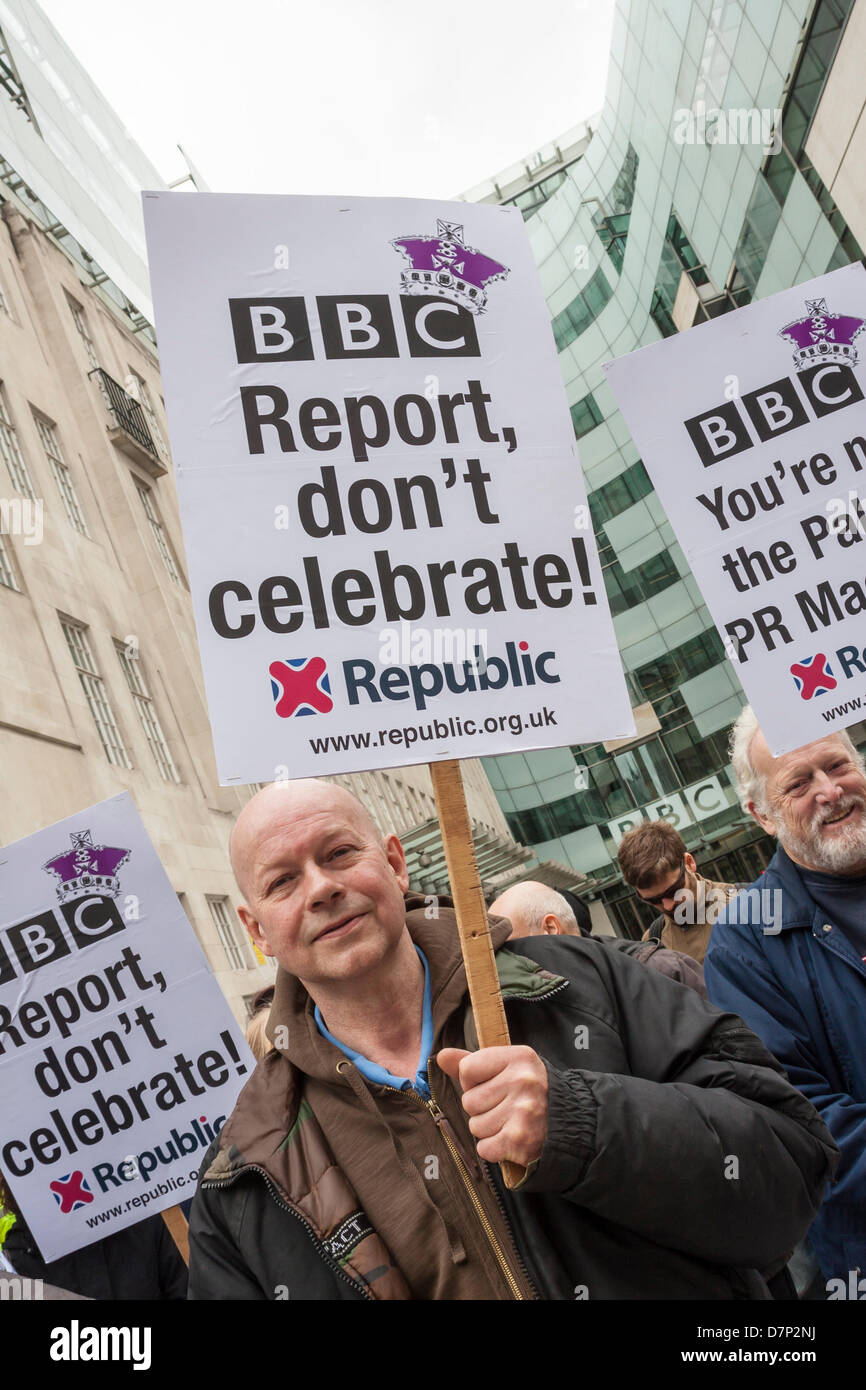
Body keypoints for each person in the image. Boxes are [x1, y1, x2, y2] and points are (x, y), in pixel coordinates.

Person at [187, 779, 836, 1301]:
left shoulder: (593, 983)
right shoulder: (246, 1175)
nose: (321, 888)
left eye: (338, 854)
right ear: (256, 930)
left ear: (393, 863)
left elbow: (791, 1172)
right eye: (283, 881)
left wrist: (583, 1122)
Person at [704, 708, 866, 1288]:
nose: (829, 791)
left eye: (837, 765)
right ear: (761, 815)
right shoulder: (744, 943)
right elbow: (799, 1121)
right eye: (797, 783)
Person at [617, 820, 740, 964]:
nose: (668, 906)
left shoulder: (750, 904)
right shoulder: (653, 943)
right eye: (654, 900)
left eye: (674, 891)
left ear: (689, 863)